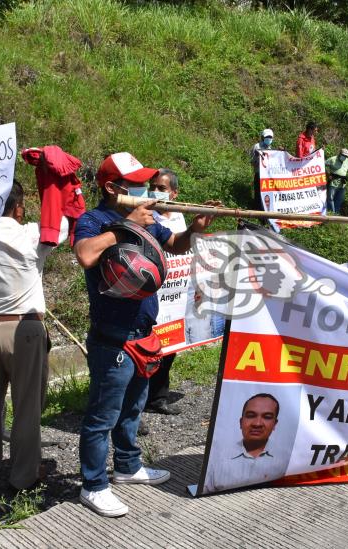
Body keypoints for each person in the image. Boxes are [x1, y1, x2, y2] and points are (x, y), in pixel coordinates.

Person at [74, 152, 218, 517]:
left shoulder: (150, 219)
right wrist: (126, 225)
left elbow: (175, 244)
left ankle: (127, 465)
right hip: (112, 336)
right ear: (112, 188)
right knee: (102, 415)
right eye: (136, 182)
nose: (146, 189)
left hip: (143, 332)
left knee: (133, 407)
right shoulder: (94, 219)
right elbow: (86, 255)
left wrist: (196, 228)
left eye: (146, 181)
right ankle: (93, 485)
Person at [0, 180, 65, 492]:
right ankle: (23, 475)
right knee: (27, 406)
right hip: (25, 329)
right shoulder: (32, 234)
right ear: (18, 208)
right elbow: (65, 221)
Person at [145, 169, 183, 416]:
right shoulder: (147, 217)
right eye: (153, 186)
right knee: (149, 348)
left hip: (176, 293)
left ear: (174, 193)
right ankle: (140, 399)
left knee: (171, 346)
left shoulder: (179, 216)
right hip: (154, 292)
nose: (156, 192)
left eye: (162, 188)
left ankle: (159, 396)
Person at [203, 393, 288, 493]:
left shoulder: (287, 459)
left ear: (275, 424)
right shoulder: (217, 458)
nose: (257, 424)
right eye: (251, 416)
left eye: (267, 417)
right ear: (241, 422)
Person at [324, 148, 348, 214]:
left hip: (342, 184)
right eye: (343, 155)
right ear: (339, 154)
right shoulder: (333, 159)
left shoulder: (347, 160)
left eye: (346, 156)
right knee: (330, 198)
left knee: (339, 199)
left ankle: (336, 214)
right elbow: (322, 164)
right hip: (333, 182)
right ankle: (331, 213)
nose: (344, 157)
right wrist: (327, 174)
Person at [250, 128, 275, 208]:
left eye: (270, 137)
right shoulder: (257, 146)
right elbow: (252, 162)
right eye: (267, 137)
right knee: (258, 194)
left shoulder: (270, 149)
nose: (269, 139)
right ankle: (256, 211)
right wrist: (257, 157)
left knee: (265, 194)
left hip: (267, 176)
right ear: (262, 137)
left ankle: (264, 210)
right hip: (259, 174)